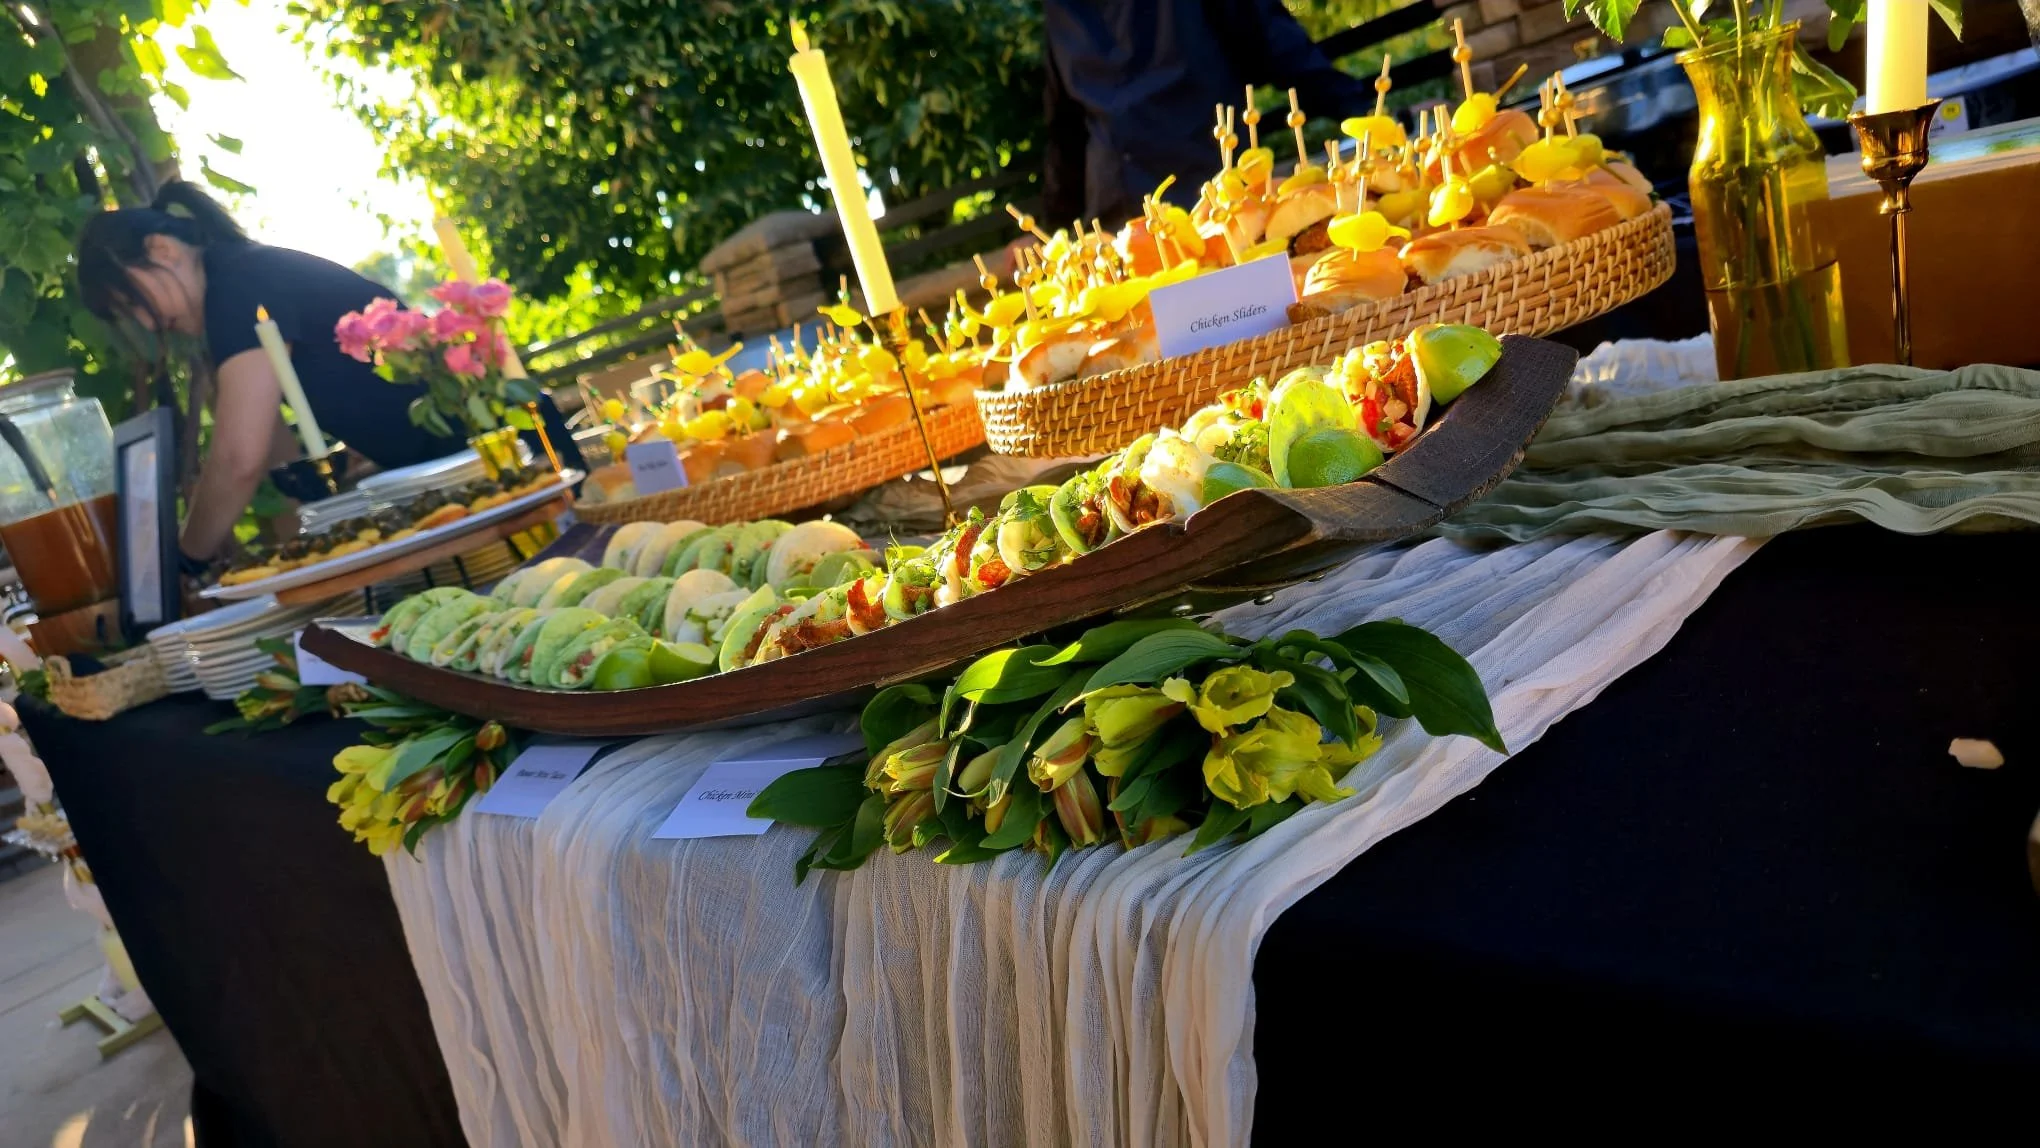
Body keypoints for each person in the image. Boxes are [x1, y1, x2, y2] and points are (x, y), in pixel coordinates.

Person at [74, 181, 576, 575]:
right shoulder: (245, 274)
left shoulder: (236, 287)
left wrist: (184, 560)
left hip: (514, 475)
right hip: (488, 474)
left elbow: (237, 458)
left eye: (130, 301)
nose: (145, 322)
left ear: (162, 250)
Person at [1041, 0, 1373, 226]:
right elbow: (1267, 38)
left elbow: (1065, 119)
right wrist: (1360, 108)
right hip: (1203, 186)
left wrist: (1058, 217)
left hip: (1143, 196)